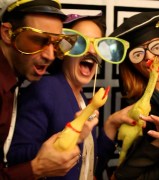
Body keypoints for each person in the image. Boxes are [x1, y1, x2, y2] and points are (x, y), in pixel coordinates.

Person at [7, 12, 130, 179]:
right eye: (81, 42)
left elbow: (91, 165)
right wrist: (69, 137)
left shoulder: (84, 100)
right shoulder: (45, 89)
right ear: (63, 49)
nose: (91, 50)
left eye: (97, 44)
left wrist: (111, 124)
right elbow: (14, 157)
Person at [95, 11, 159, 178]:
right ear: (131, 65)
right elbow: (129, 169)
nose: (150, 59)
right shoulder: (140, 108)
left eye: (156, 47)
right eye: (138, 54)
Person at [0, 0, 82, 179]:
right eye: (38, 40)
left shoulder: (15, 79)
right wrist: (36, 168)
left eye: (57, 43)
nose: (50, 55)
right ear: (7, 34)